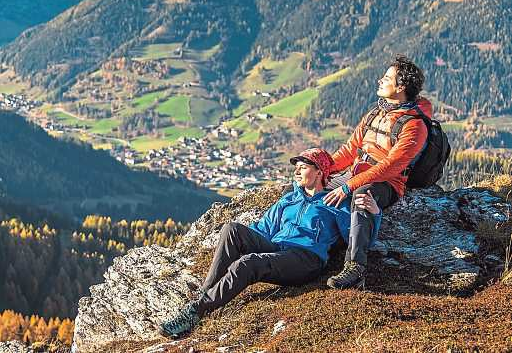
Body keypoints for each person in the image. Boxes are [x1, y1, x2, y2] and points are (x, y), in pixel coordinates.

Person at [159, 148, 381, 339]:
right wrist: (243, 239)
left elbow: (358, 240)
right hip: (277, 249)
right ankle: (205, 297)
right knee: (232, 229)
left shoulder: (335, 202)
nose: (296, 171)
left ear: (320, 172)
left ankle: (197, 312)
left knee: (248, 264)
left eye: (303, 167)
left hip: (305, 259)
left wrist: (375, 213)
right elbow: (262, 229)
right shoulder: (289, 199)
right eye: (296, 167)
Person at [324, 55, 430, 289]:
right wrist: (321, 168)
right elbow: (350, 150)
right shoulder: (376, 113)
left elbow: (390, 166)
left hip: (387, 183)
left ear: (401, 87)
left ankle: (355, 266)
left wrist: (348, 186)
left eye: (386, 78)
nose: (379, 81)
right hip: (358, 173)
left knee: (362, 197)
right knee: (313, 184)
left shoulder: (414, 125)